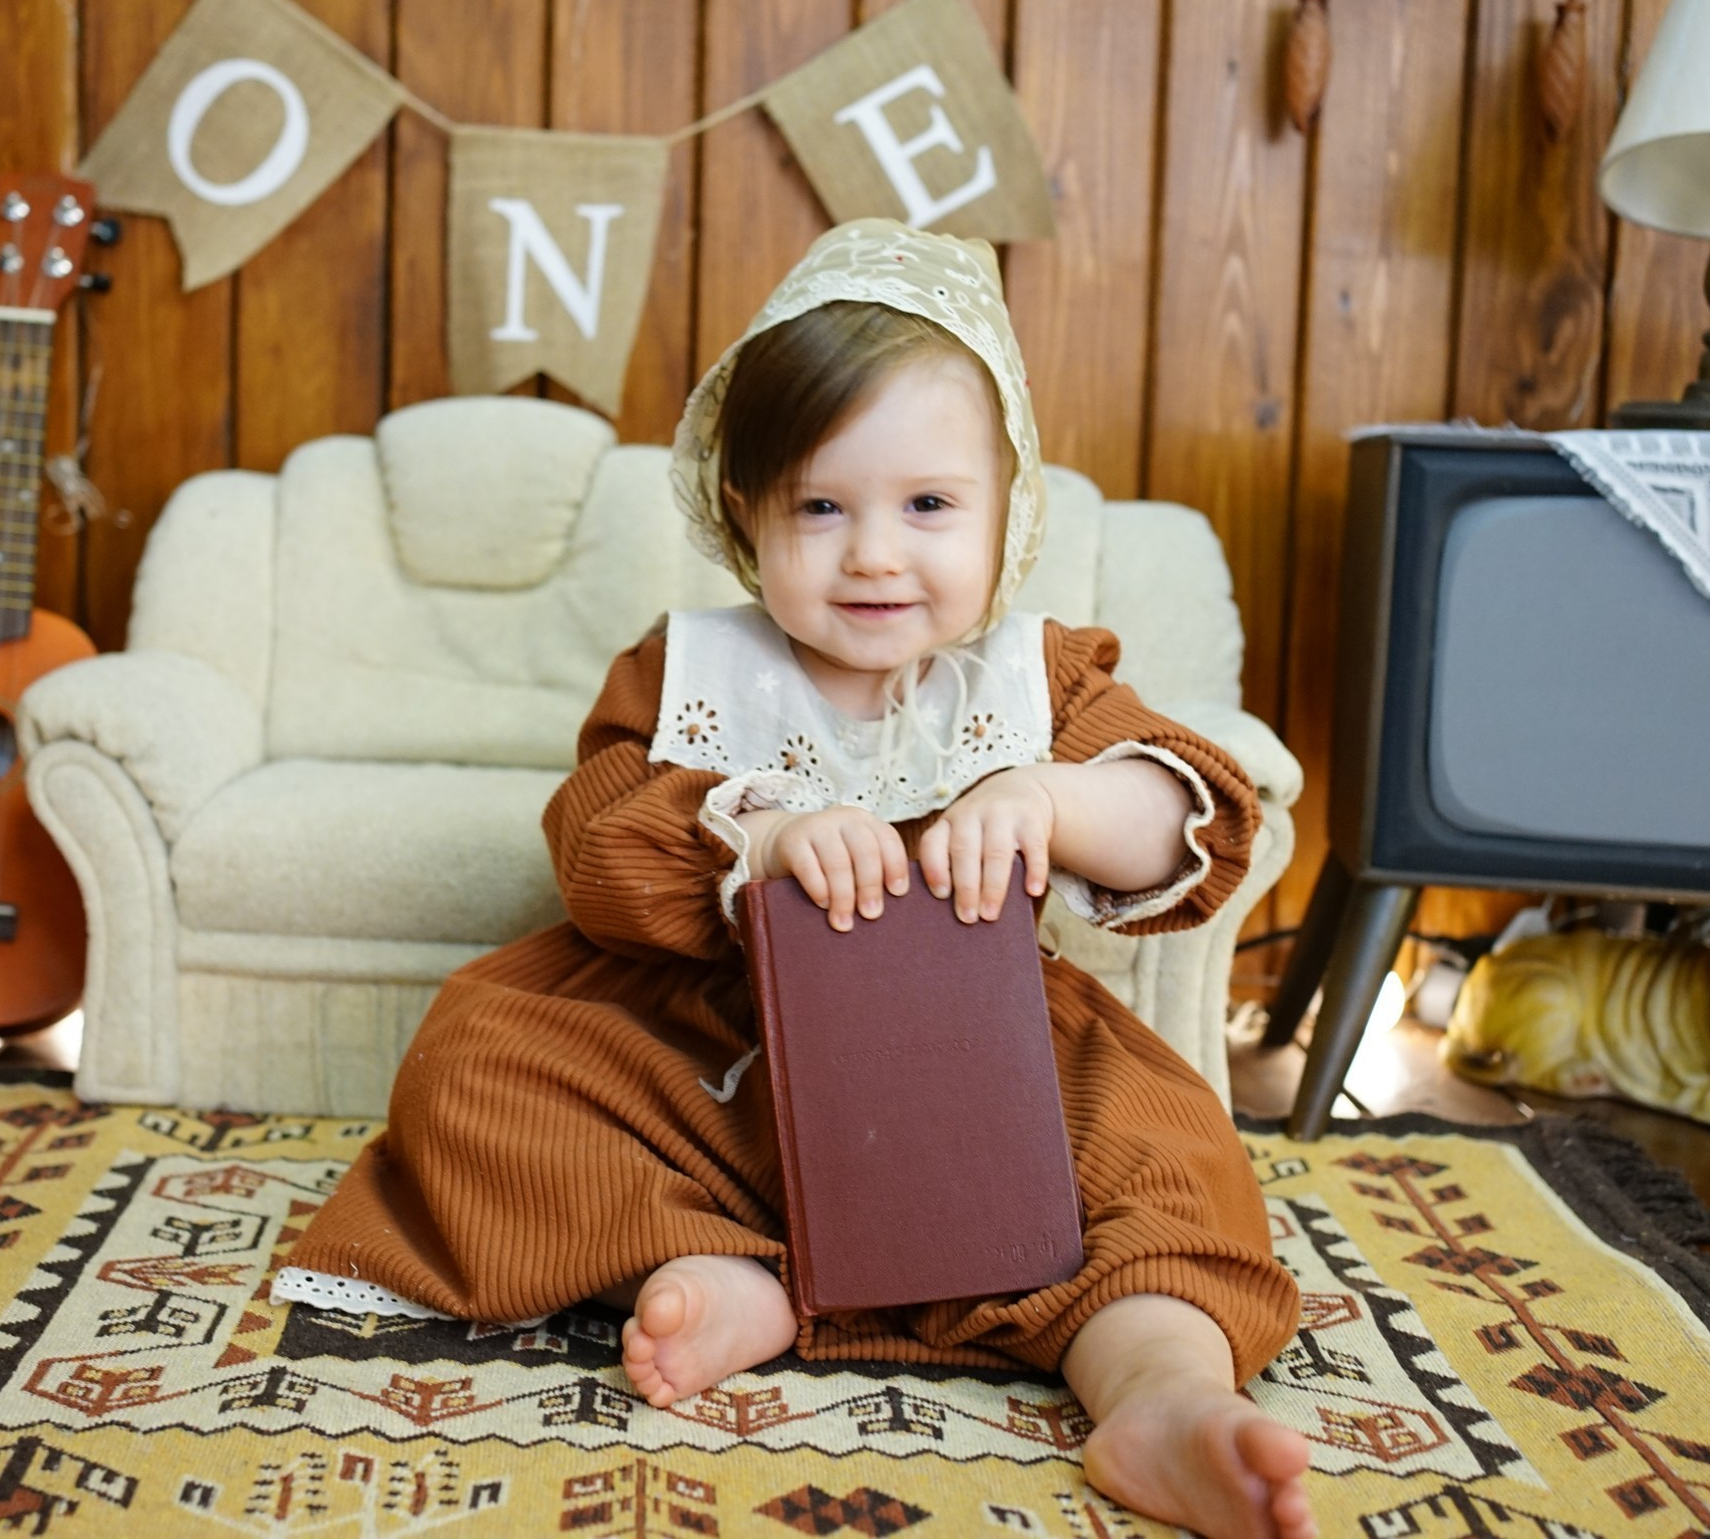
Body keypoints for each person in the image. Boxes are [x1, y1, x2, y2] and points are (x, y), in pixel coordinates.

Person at [276, 221, 1311, 1539]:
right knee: (475, 1065)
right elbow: (592, 843)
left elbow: (1191, 820)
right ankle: (727, 1272)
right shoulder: (692, 671)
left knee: (1167, 1157)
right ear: (745, 514)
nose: (875, 553)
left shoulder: (1035, 681)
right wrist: (751, 838)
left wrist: (1052, 798)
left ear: (1009, 514)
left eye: (930, 507)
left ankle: (1157, 1391)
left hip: (983, 1056)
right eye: (822, 507)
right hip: (708, 1059)